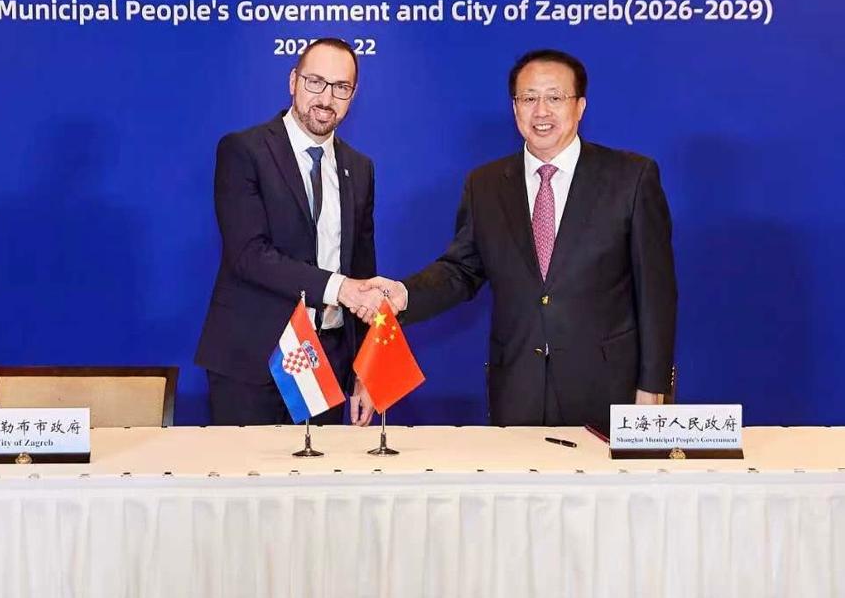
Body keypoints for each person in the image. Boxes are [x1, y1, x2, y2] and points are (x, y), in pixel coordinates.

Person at [368, 49, 677, 432]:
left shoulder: (631, 178)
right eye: (529, 98)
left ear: (580, 106)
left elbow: (656, 292)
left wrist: (653, 385)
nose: (541, 111)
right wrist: (403, 295)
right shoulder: (485, 184)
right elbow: (462, 271)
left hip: (608, 388)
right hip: (517, 388)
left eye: (555, 97)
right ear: (515, 108)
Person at [195, 38, 386, 427]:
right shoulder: (243, 151)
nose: (326, 98)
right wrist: (339, 288)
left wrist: (367, 368)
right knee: (245, 468)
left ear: (353, 96)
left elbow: (363, 273)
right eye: (316, 82)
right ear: (293, 81)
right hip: (252, 359)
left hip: (326, 361)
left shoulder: (359, 168)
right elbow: (248, 254)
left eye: (341, 87)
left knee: (320, 469)